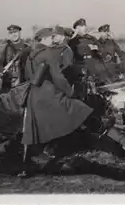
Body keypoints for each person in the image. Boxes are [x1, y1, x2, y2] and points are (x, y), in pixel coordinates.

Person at [19, 27, 94, 177]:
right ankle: (63, 150)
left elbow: (28, 75)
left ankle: (45, 154)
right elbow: (58, 77)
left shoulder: (31, 54)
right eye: (50, 38)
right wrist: (70, 92)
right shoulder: (47, 54)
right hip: (48, 94)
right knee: (78, 109)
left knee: (40, 127)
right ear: (44, 39)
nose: (52, 40)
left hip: (34, 95)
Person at [0, 24, 31, 91]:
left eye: (15, 32)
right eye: (11, 33)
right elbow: (0, 62)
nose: (13, 35)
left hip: (22, 82)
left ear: (19, 33)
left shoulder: (27, 48)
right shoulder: (7, 48)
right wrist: (1, 71)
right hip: (8, 83)